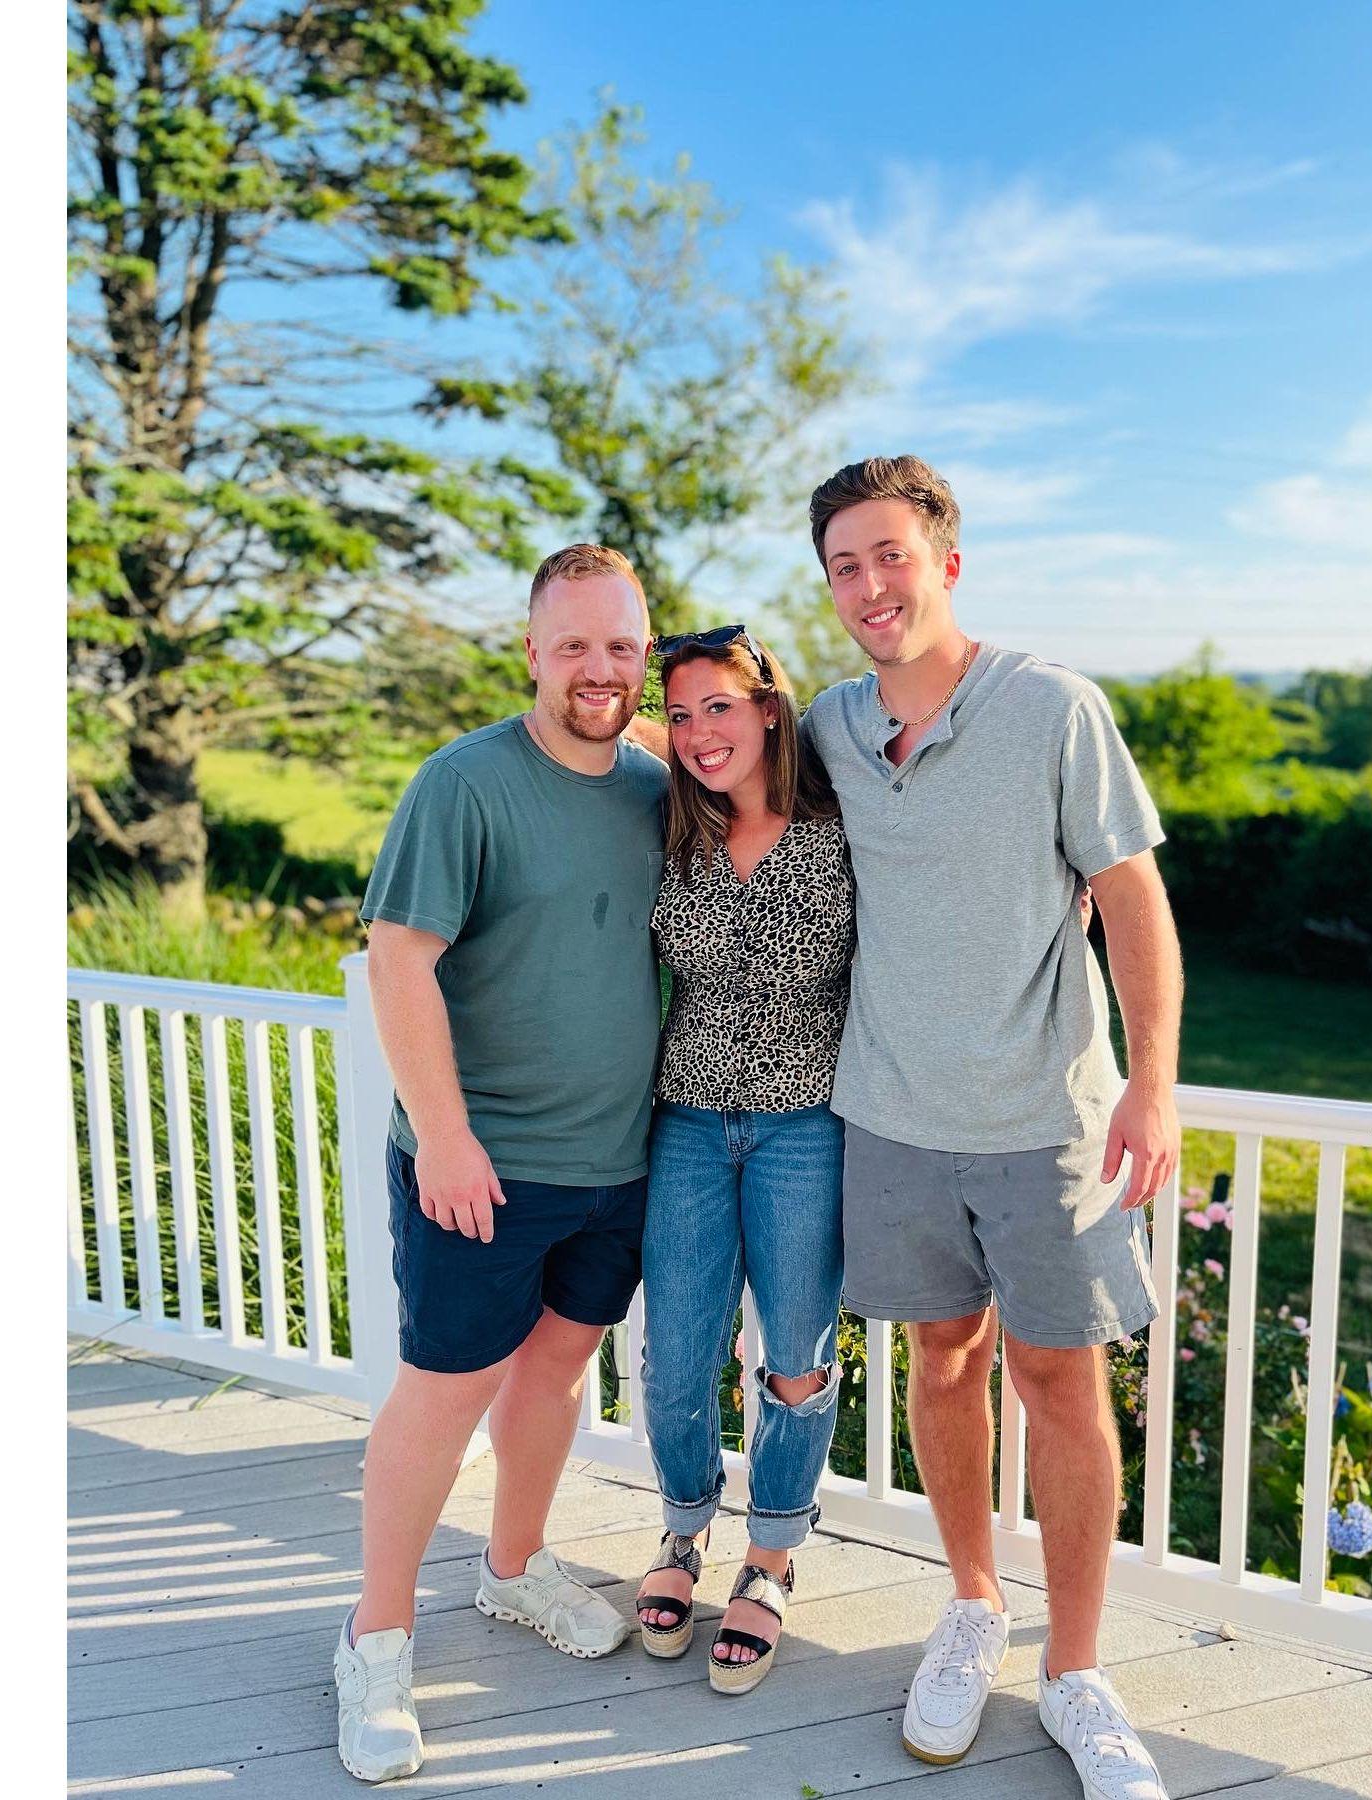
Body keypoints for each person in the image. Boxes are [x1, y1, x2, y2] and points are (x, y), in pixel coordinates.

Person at [801, 457, 1183, 1800]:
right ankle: (971, 1610)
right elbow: (711, 759)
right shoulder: (830, 731)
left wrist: (1153, 1081)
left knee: (1061, 1387)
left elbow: (1131, 897)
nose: (868, 586)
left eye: (889, 556)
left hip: (1046, 1120)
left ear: (945, 564)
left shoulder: (1051, 710)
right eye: (843, 564)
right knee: (944, 1370)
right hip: (893, 1116)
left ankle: (1075, 1672)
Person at [334, 544, 667, 1784]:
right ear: (531, 650)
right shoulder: (464, 783)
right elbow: (399, 958)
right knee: (445, 1389)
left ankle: (516, 1567)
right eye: (573, 644)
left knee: (558, 1370)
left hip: (616, 1160)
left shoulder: (656, 789)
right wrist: (452, 1135)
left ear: (646, 650)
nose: (598, 668)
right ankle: (377, 1634)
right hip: (481, 1164)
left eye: (621, 645)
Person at [631, 625, 855, 1696]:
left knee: (797, 1360)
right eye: (678, 714)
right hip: (684, 1124)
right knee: (676, 1356)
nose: (697, 732)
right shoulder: (670, 826)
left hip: (805, 1125)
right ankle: (680, 1539)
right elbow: (592, 737)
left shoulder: (841, 823)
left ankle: (770, 1559)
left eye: (719, 706)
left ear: (770, 707)